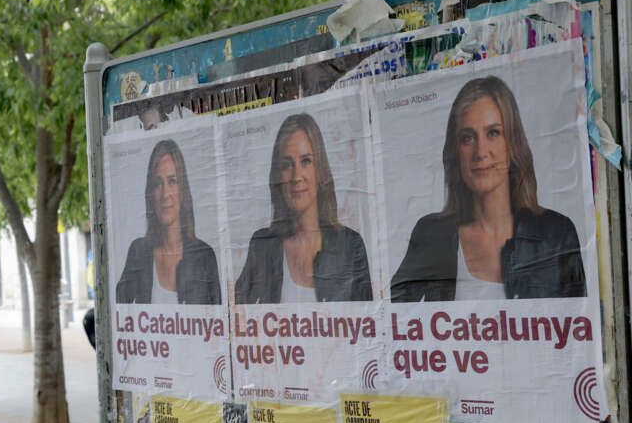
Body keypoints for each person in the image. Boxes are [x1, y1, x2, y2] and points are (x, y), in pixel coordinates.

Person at [390, 76, 585, 301]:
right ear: (455, 152)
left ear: (512, 144)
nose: (481, 152)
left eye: (493, 133)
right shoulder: (432, 234)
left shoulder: (557, 234)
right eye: (467, 138)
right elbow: (393, 321)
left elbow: (579, 328)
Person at [235, 113, 372, 303]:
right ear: (278, 176)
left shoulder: (351, 245)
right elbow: (236, 315)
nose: (296, 176)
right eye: (286, 165)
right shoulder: (262, 245)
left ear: (320, 169)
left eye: (306, 161)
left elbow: (369, 324)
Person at [115, 139, 221, 304]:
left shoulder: (204, 256)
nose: (165, 194)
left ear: (182, 189)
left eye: (172, 181)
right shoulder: (138, 252)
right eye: (158, 183)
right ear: (150, 193)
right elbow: (117, 313)